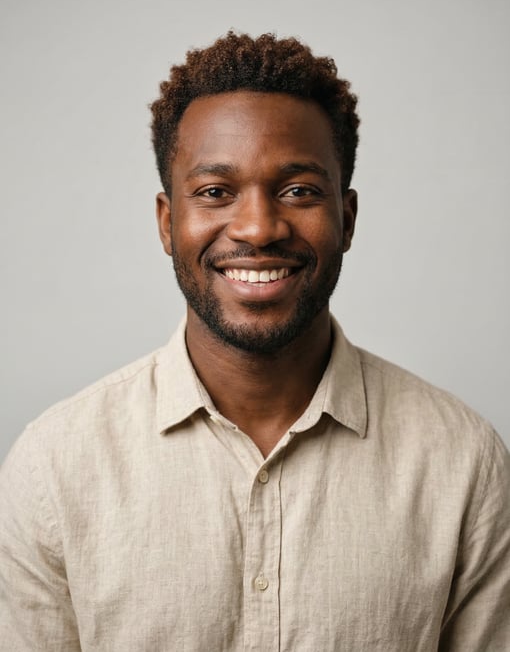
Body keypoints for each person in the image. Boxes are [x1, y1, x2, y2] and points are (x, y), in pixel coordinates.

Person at [0, 32, 509, 652]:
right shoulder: (55, 467)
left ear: (347, 219)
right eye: (215, 192)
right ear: (168, 222)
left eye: (298, 190)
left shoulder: (464, 462)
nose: (258, 228)